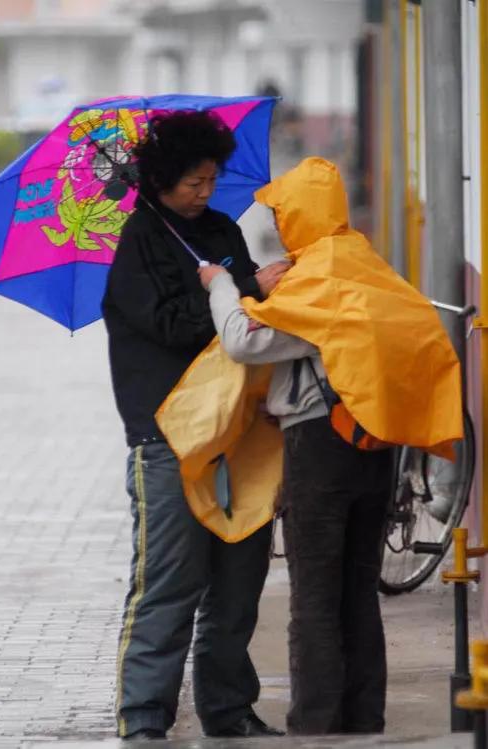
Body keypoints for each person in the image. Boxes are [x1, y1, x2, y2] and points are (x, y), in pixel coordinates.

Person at [102, 110, 288, 741]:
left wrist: (247, 290)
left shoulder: (220, 231)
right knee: (170, 583)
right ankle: (145, 715)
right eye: (192, 182)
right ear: (160, 179)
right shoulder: (138, 244)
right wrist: (237, 287)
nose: (204, 192)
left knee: (239, 582)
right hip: (169, 439)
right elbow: (174, 326)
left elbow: (250, 327)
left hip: (240, 432)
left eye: (211, 178)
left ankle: (228, 707)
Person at [198, 157, 394, 735]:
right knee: (359, 590)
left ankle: (315, 725)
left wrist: (223, 287)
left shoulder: (314, 278)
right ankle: (364, 721)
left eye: (284, 213)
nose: (280, 226)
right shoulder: (367, 264)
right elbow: (334, 350)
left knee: (313, 594)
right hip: (376, 443)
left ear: (302, 215)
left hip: (320, 448)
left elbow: (242, 341)